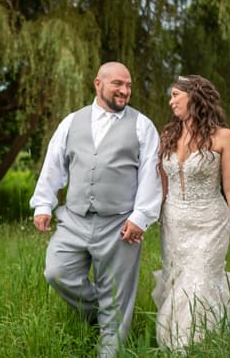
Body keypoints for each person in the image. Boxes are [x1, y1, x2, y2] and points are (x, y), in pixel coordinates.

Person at [30, 62, 163, 357]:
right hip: (74, 219)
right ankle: (100, 315)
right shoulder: (72, 122)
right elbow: (54, 163)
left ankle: (110, 348)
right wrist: (43, 204)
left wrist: (140, 217)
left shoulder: (142, 125)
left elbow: (151, 176)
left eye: (128, 85)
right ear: (98, 84)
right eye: (118, 84)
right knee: (56, 271)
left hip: (120, 224)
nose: (125, 91)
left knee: (117, 294)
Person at [151, 75, 230, 350]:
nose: (171, 101)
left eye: (175, 95)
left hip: (210, 222)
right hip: (173, 222)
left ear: (194, 96)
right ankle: (199, 341)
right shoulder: (168, 136)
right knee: (178, 281)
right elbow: (160, 184)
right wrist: (146, 217)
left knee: (199, 281)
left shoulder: (224, 137)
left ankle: (188, 346)